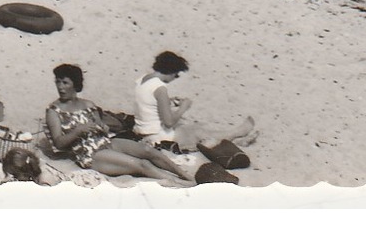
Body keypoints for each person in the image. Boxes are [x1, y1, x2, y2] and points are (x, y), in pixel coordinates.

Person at [44, 64, 191, 185]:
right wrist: (78, 131)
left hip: (106, 142)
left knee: (148, 150)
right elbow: (58, 143)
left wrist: (103, 127)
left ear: (75, 84)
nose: (60, 87)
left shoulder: (88, 105)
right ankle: (180, 183)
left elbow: (101, 127)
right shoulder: (54, 111)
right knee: (142, 164)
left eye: (65, 82)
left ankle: (186, 176)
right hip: (90, 154)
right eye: (58, 82)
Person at [132, 51, 256, 152]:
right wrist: (183, 108)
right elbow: (168, 122)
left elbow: (148, 101)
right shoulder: (160, 88)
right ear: (171, 72)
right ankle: (236, 134)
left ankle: (236, 141)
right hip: (157, 136)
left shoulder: (143, 79)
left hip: (142, 130)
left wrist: (169, 101)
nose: (175, 78)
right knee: (197, 131)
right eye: (176, 75)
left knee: (193, 129)